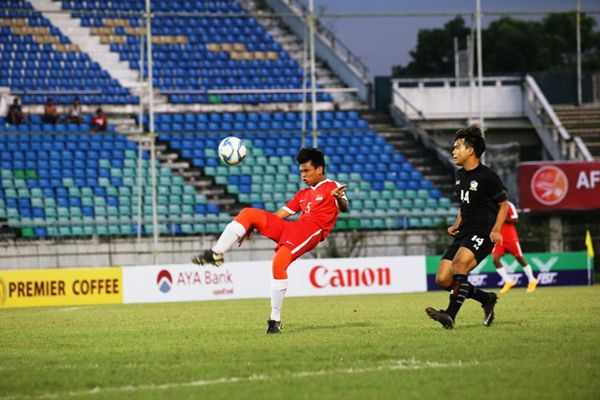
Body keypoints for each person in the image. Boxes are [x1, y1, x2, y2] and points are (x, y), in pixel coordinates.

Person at [192, 147, 348, 334]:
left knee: (278, 263)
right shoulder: (302, 195)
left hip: (311, 231)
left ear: (319, 169)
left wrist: (339, 199)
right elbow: (279, 215)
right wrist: (253, 225)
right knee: (249, 214)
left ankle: (274, 320)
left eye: (306, 171)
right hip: (294, 228)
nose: (303, 175)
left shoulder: (333, 187)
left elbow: (344, 208)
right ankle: (216, 253)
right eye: (301, 172)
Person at [426, 125, 508, 329]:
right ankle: (486, 298)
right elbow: (465, 204)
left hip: (482, 231)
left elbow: (503, 204)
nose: (453, 151)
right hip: (464, 232)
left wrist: (496, 230)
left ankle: (450, 315)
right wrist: (457, 223)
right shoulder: (460, 176)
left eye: (457, 147)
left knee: (459, 265)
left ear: (470, 150)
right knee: (443, 279)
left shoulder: (488, 177)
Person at [492, 196, 538, 293]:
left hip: (510, 237)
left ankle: (532, 280)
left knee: (519, 258)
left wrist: (502, 217)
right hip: (499, 237)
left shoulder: (509, 205)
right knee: (495, 259)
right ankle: (508, 281)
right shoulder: (493, 206)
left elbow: (515, 219)